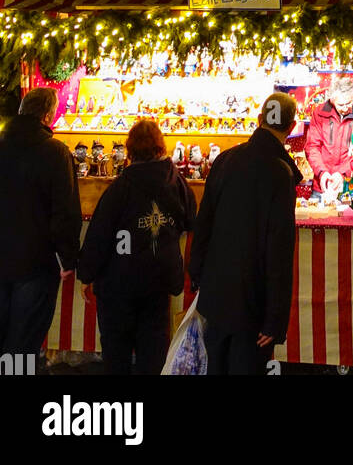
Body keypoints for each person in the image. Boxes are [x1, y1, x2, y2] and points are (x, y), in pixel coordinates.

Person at [189, 91, 300, 375]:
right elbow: (279, 250)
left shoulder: (225, 160)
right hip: (253, 303)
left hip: (216, 295)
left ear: (259, 119)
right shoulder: (280, 173)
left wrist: (198, 278)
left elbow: (203, 226)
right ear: (291, 126)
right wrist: (275, 318)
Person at [77, 119, 195, 375]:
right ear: (160, 146)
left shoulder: (120, 188)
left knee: (116, 354)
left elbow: (99, 235)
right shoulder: (176, 183)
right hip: (159, 282)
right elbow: (191, 218)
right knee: (153, 354)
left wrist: (86, 274)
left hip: (119, 284)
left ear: (130, 150)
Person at [0, 86, 83, 358]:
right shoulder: (55, 153)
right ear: (47, 116)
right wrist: (68, 259)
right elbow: (66, 212)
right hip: (35, 265)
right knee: (21, 344)